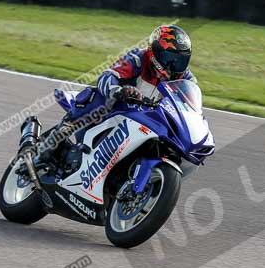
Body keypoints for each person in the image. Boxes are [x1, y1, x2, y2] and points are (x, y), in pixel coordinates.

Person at [35, 24, 195, 164]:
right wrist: (117, 90)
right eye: (169, 59)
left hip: (150, 122)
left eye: (180, 61)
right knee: (95, 97)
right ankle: (56, 138)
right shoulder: (138, 58)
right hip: (119, 109)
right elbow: (107, 75)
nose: (173, 66)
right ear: (155, 52)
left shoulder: (186, 78)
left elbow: (191, 107)